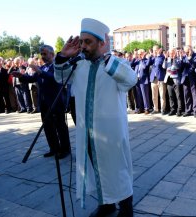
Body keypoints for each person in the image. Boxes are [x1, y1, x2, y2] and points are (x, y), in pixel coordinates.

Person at [53, 18, 137, 217]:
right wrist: (62, 57)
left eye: (88, 42)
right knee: (95, 168)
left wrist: (108, 61)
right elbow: (59, 77)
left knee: (118, 169)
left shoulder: (116, 63)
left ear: (102, 43)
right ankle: (106, 204)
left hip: (111, 133)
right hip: (87, 131)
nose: (83, 46)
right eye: (81, 42)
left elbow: (131, 80)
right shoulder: (78, 66)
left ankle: (126, 209)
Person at [13, 45, 71, 159]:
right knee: (48, 126)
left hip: (55, 101)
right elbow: (32, 78)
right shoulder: (43, 67)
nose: (43, 56)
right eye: (42, 54)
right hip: (44, 102)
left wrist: (39, 71)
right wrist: (21, 76)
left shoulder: (57, 66)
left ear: (52, 54)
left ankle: (65, 149)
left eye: (45, 54)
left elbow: (55, 78)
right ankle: (54, 148)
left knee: (60, 127)